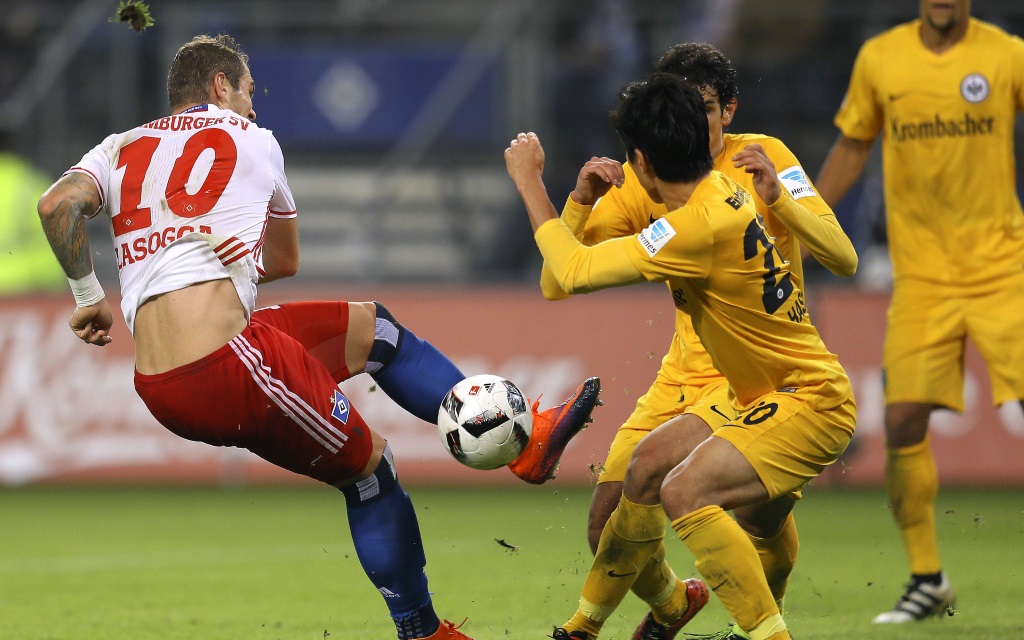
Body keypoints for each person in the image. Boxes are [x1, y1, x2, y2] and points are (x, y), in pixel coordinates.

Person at [36, 34, 600, 640]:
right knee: (371, 471)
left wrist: (91, 295)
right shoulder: (253, 139)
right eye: (250, 90)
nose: (255, 106)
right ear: (221, 88)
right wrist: (227, 247)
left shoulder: (119, 148)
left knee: (373, 329)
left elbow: (56, 206)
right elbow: (285, 258)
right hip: (225, 366)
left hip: (166, 374)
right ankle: (423, 631)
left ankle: (524, 443)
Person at [505, 74, 857, 640]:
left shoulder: (694, 226)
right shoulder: (722, 191)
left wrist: (529, 183)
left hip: (805, 399)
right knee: (655, 476)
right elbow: (564, 276)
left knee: (685, 491)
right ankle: (586, 627)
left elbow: (569, 270)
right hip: (764, 392)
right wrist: (579, 203)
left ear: (641, 160)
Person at [816, 0, 1024, 624]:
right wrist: (807, 219)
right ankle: (928, 579)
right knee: (902, 421)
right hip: (923, 277)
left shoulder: (1006, 54)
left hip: (1003, 267)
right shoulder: (881, 58)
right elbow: (853, 146)